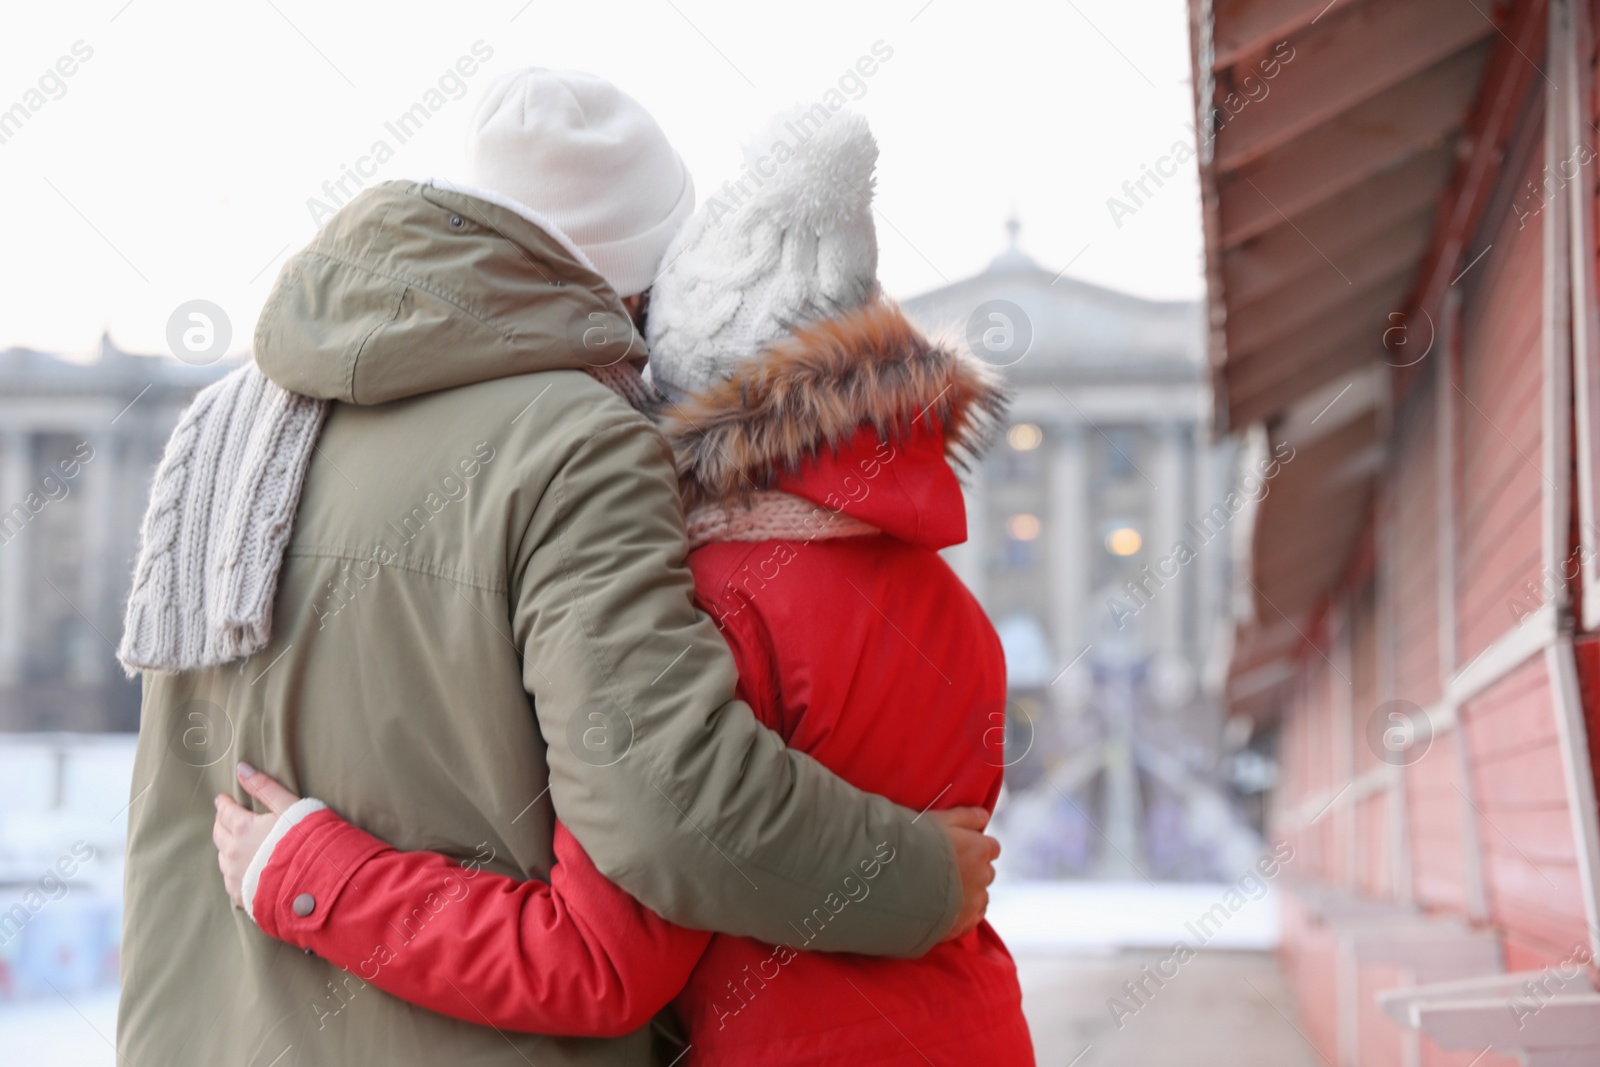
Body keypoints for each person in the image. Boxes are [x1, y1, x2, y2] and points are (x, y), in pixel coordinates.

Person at [119, 69, 997, 1067]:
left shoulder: (228, 426)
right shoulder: (580, 441)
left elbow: (177, 809)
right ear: (634, 278)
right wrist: (923, 880)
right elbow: (667, 813)